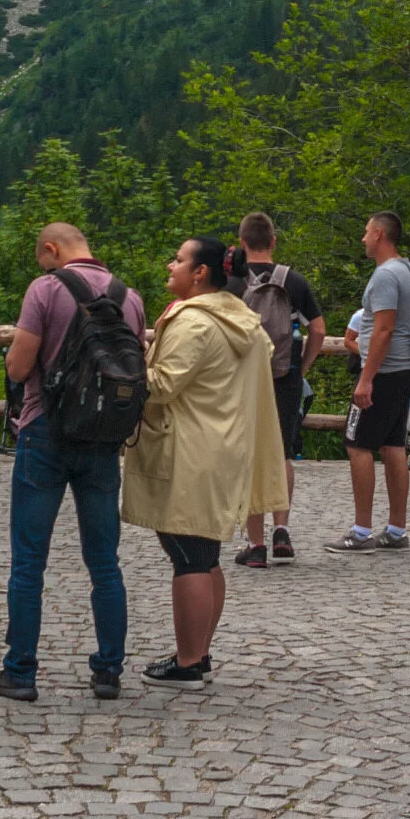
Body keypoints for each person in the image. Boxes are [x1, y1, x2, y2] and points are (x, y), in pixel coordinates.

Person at [0, 223, 147, 703]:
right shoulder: (128, 297)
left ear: (51, 249)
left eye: (42, 256)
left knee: (30, 560)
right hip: (101, 438)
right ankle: (109, 669)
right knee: (104, 561)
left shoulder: (45, 289)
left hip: (46, 430)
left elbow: (18, 365)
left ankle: (20, 671)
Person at [123, 236, 288, 689]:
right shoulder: (241, 321)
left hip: (188, 453)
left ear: (200, 273)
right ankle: (197, 651)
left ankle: (189, 661)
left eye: (178, 259)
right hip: (221, 450)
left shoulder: (194, 323)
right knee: (205, 556)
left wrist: (127, 361)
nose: (169, 264)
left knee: (189, 558)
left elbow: (161, 386)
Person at [225, 212, 325, 569]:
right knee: (282, 450)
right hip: (286, 375)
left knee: (251, 455)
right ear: (273, 241)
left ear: (241, 242)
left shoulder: (232, 282)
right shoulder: (292, 280)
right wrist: (306, 364)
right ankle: (281, 530)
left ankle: (255, 546)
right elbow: (317, 327)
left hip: (244, 378)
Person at [325, 212, 410, 554]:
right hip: (405, 369)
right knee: (393, 446)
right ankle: (396, 529)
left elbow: (383, 328)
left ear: (379, 234)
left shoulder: (385, 276)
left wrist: (366, 379)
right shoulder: (409, 269)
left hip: (383, 372)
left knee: (357, 444)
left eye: (366, 232)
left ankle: (361, 531)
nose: (363, 239)